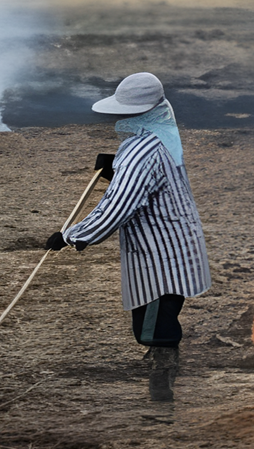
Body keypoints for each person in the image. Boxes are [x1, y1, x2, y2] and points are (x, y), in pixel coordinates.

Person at [45, 72, 211, 401]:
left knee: (154, 328)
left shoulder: (141, 151)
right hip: (176, 247)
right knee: (159, 318)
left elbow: (117, 207)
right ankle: (160, 370)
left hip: (160, 257)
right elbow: (145, 187)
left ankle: (161, 394)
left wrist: (71, 236)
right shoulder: (161, 137)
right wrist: (115, 170)